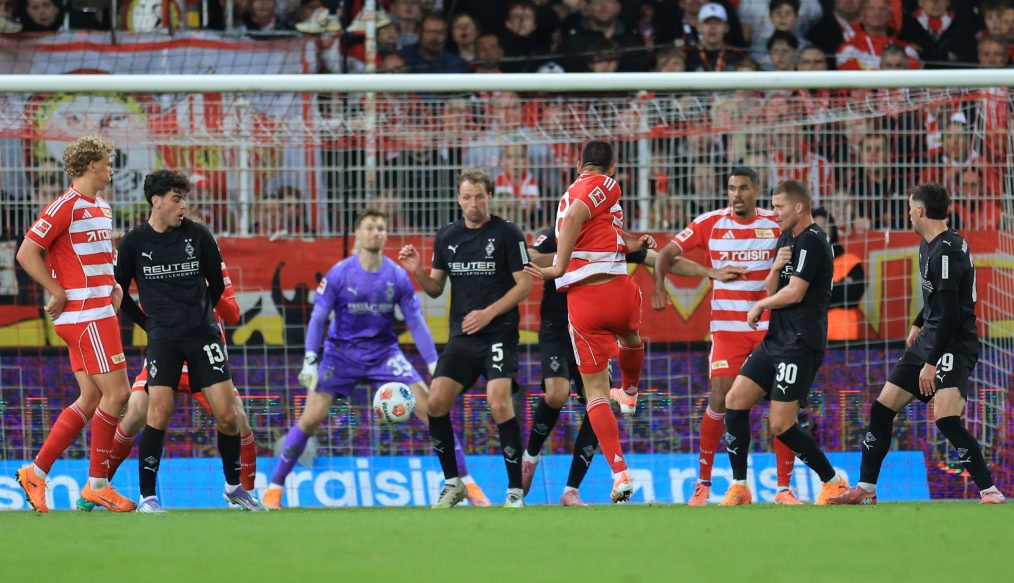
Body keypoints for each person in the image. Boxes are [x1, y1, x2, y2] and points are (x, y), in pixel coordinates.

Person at [263, 209, 491, 509]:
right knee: (311, 418)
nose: (376, 233)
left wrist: (433, 363)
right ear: (358, 234)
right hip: (341, 355)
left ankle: (468, 484)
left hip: (384, 353)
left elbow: (416, 321)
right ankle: (274, 489)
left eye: (381, 228)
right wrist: (310, 359)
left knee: (434, 410)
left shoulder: (396, 276)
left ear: (386, 235)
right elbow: (318, 318)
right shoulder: (339, 274)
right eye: (370, 227)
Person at [829, 184, 1006, 505]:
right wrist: (918, 322)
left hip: (953, 343)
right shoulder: (930, 244)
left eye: (911, 207)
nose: (908, 213)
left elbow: (951, 312)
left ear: (921, 211)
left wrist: (930, 362)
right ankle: (866, 488)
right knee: (882, 409)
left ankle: (989, 490)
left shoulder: (948, 250)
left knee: (946, 419)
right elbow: (938, 299)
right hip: (931, 338)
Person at [653, 166, 804, 506]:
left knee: (782, 405)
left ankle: (784, 488)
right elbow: (666, 255)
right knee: (720, 400)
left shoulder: (774, 223)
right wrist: (703, 273)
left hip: (769, 330)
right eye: (732, 188)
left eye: (744, 188)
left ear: (757, 190)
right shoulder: (710, 223)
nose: (737, 194)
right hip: (727, 331)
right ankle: (704, 483)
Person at [115, 169, 264, 512]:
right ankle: (148, 497)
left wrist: (199, 317)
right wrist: (149, 325)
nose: (183, 205)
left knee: (229, 415)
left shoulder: (198, 235)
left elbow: (218, 284)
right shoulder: (134, 242)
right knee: (157, 412)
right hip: (163, 339)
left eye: (184, 198)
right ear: (156, 202)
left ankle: (234, 487)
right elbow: (120, 292)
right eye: (176, 199)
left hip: (203, 336)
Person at [523, 141, 656, 503]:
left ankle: (620, 473)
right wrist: (558, 266)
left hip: (583, 302)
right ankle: (630, 392)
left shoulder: (568, 194)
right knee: (631, 338)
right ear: (611, 167)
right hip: (614, 287)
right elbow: (576, 217)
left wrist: (632, 242)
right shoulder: (606, 184)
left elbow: (592, 229)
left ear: (579, 164)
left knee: (595, 393)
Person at [74, 259, 257, 511]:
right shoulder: (156, 259)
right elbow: (134, 298)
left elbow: (233, 314)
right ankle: (98, 486)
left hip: (204, 358)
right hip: (166, 354)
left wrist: (206, 289)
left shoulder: (213, 262)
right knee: (135, 413)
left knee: (238, 418)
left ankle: (246, 492)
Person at [15, 135, 135, 513]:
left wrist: (114, 284)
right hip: (87, 316)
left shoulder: (102, 206)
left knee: (92, 398)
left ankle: (36, 472)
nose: (111, 168)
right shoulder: (64, 206)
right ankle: (97, 485)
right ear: (92, 165)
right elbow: (26, 252)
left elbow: (101, 254)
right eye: (107, 162)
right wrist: (56, 290)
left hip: (97, 310)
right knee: (118, 394)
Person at [399, 169, 532, 508]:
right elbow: (435, 288)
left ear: (490, 197)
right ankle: (452, 483)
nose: (474, 204)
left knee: (498, 402)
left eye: (479, 197)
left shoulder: (507, 233)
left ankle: (514, 491)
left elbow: (525, 285)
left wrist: (488, 313)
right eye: (467, 197)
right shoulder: (447, 236)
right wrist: (418, 272)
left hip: (499, 334)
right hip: (463, 337)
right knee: (435, 403)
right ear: (458, 199)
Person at [720, 179, 850, 506]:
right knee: (735, 400)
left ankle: (833, 482)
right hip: (777, 338)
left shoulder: (814, 240)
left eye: (779, 207)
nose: (774, 212)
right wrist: (776, 267)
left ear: (799, 207)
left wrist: (760, 307)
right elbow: (773, 287)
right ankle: (739, 487)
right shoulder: (787, 237)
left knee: (780, 424)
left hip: (800, 343)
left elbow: (795, 293)